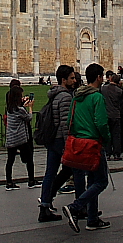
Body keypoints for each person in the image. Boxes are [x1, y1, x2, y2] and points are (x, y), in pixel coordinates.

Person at [61, 63, 111, 232]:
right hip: (93, 143)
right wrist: (107, 139)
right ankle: (75, 207)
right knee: (101, 181)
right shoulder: (97, 97)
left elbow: (69, 121)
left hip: (79, 143)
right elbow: (101, 123)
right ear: (98, 77)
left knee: (92, 182)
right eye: (102, 76)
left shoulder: (77, 97)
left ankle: (92, 218)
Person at [38, 65, 81, 223]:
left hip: (52, 140)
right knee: (75, 170)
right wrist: (68, 144)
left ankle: (45, 205)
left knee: (51, 172)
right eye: (71, 78)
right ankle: (79, 206)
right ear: (64, 80)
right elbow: (65, 124)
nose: (74, 80)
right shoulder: (65, 97)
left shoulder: (54, 95)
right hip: (60, 140)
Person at [4, 85, 36, 190]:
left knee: (10, 160)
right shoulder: (20, 110)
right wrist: (30, 107)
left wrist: (23, 104)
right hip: (21, 138)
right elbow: (29, 118)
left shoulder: (10, 109)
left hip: (11, 138)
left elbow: (19, 110)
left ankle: (9, 182)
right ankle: (31, 180)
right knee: (29, 159)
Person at [100, 73, 123, 161]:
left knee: (108, 135)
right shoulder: (119, 90)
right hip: (116, 115)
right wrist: (121, 87)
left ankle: (108, 153)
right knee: (116, 135)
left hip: (106, 114)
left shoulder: (104, 88)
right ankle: (117, 154)